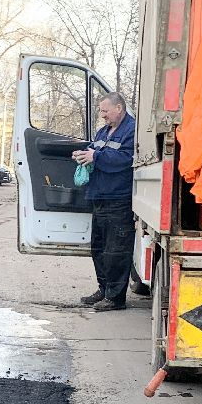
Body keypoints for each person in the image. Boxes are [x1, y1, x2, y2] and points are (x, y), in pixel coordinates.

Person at [72, 93, 138, 311]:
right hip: (99, 197)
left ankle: (116, 298)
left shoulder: (131, 130)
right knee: (99, 249)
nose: (102, 115)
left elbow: (127, 160)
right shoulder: (103, 132)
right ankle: (104, 289)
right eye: (101, 111)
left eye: (105, 111)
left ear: (118, 108)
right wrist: (82, 154)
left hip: (118, 199)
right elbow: (94, 150)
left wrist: (96, 157)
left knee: (116, 251)